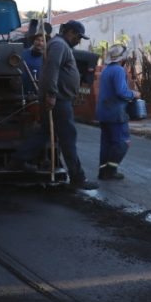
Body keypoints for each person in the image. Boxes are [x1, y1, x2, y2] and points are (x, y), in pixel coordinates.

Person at [10, 20, 98, 190]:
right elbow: (52, 70)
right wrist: (51, 95)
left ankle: (18, 160)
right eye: (78, 37)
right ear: (70, 32)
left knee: (44, 133)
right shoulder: (59, 45)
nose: (79, 41)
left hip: (58, 98)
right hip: (58, 100)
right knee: (68, 137)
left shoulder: (59, 44)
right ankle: (77, 177)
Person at [96, 44, 140, 180]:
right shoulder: (119, 71)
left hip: (104, 112)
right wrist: (134, 94)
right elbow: (121, 92)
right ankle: (111, 170)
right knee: (122, 142)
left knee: (107, 143)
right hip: (115, 113)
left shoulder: (106, 69)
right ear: (123, 58)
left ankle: (103, 171)